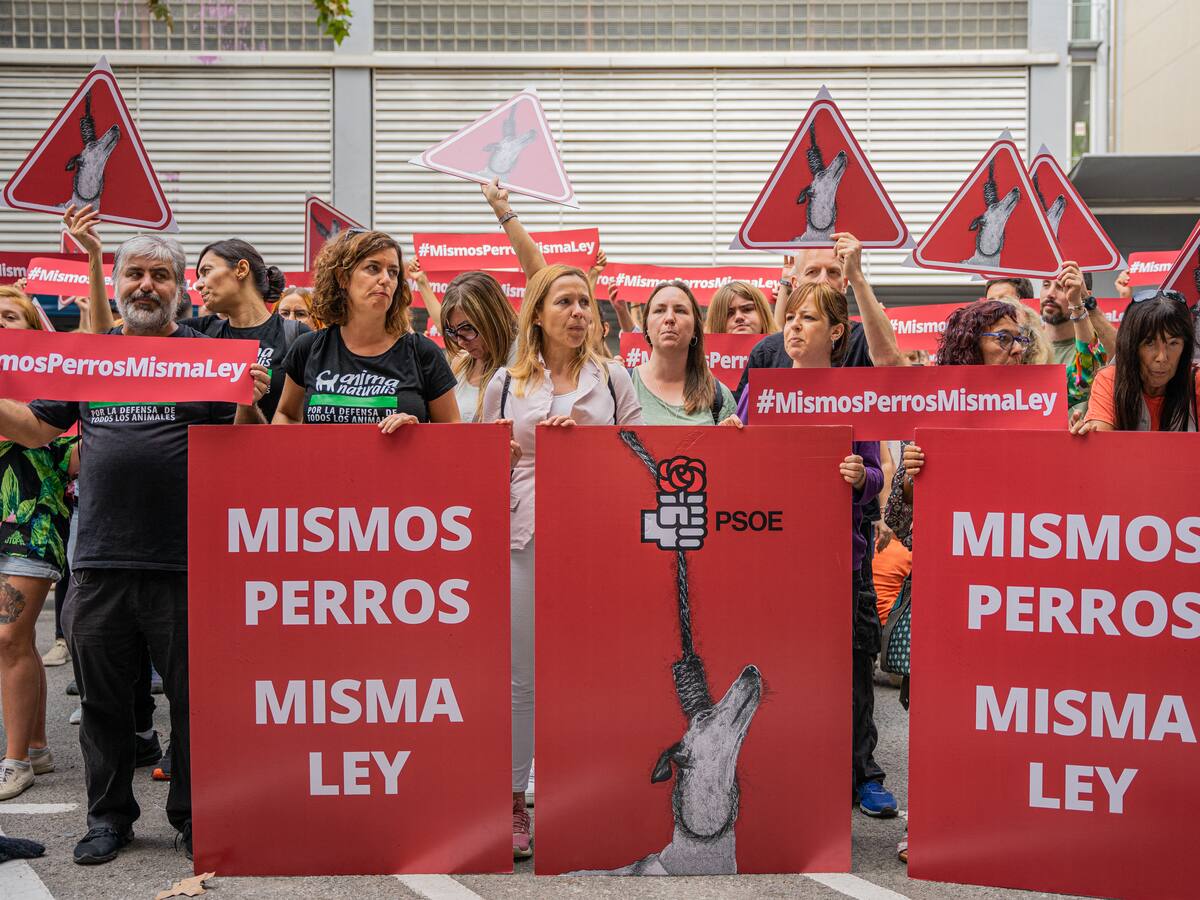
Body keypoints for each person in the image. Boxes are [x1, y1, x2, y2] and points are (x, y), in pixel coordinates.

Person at [0, 233, 268, 864]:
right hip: (99, 562)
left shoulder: (207, 358)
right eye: (135, 274)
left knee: (194, 704)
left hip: (186, 561)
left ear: (179, 288)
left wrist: (249, 403)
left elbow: (248, 447)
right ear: (117, 285)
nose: (147, 285)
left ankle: (194, 817)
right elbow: (36, 428)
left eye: (161, 275)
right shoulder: (90, 357)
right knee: (103, 704)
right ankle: (108, 818)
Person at [481, 264, 643, 859]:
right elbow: (481, 464)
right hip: (523, 534)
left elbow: (642, 457)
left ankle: (585, 799)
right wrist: (503, 453)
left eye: (585, 302)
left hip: (597, 537)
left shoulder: (615, 378)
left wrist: (586, 446)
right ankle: (513, 800)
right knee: (522, 676)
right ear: (538, 313)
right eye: (565, 302)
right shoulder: (505, 382)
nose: (578, 312)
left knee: (592, 671)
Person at [737, 280, 893, 817]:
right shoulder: (762, 391)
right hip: (774, 556)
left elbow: (877, 473)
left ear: (837, 332)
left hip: (839, 559)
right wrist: (734, 439)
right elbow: (737, 463)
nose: (794, 327)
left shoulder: (853, 392)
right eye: (790, 317)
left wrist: (861, 478)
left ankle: (863, 774)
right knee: (781, 667)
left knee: (851, 670)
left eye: (808, 318)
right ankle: (789, 772)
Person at [886, 298, 1034, 863]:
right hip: (949, 587)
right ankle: (932, 822)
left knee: (1006, 708)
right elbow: (901, 521)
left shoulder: (1038, 410)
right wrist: (911, 480)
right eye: (1003, 338)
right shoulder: (936, 413)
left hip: (1013, 589)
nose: (1015, 348)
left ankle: (998, 817)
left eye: (1020, 339)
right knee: (940, 711)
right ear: (970, 347)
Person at [67, 206, 305, 424]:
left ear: (241, 270)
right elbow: (108, 343)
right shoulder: (199, 333)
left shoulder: (296, 335)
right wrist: (94, 255)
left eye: (206, 271)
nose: (198, 284)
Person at [0, 287, 76, 801]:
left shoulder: (55, 383)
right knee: (18, 642)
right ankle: (37, 745)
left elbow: (64, 452)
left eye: (11, 317)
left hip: (31, 521)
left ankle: (15, 761)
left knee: (8, 636)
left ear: (32, 330)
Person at [273, 230, 460, 428]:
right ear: (343, 278)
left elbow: (453, 431)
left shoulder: (422, 352)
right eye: (373, 268)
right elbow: (286, 414)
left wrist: (417, 433)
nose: (385, 279)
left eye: (393, 272)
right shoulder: (308, 348)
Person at [1072, 290, 1198, 433]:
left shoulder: (1196, 382)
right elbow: (1102, 439)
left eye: (1173, 343)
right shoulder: (1110, 379)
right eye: (1149, 343)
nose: (1162, 357)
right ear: (1132, 346)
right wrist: (1088, 438)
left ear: (1185, 347)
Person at [630, 281, 738, 426]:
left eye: (680, 310)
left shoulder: (719, 396)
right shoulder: (623, 385)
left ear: (695, 329)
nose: (669, 318)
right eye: (659, 310)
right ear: (646, 327)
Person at [440, 271, 519, 423]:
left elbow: (537, 276)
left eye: (467, 329)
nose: (460, 342)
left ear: (492, 318)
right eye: (452, 332)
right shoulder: (459, 364)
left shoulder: (520, 356)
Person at [1038, 262, 1114, 410]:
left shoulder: (1097, 347)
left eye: (1061, 287)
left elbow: (1084, 379)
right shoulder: (1024, 346)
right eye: (1046, 285)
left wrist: (1079, 304)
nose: (1050, 294)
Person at [704, 281, 777, 335]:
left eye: (747, 309)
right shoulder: (703, 351)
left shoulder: (781, 348)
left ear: (763, 313)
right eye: (729, 313)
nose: (739, 317)